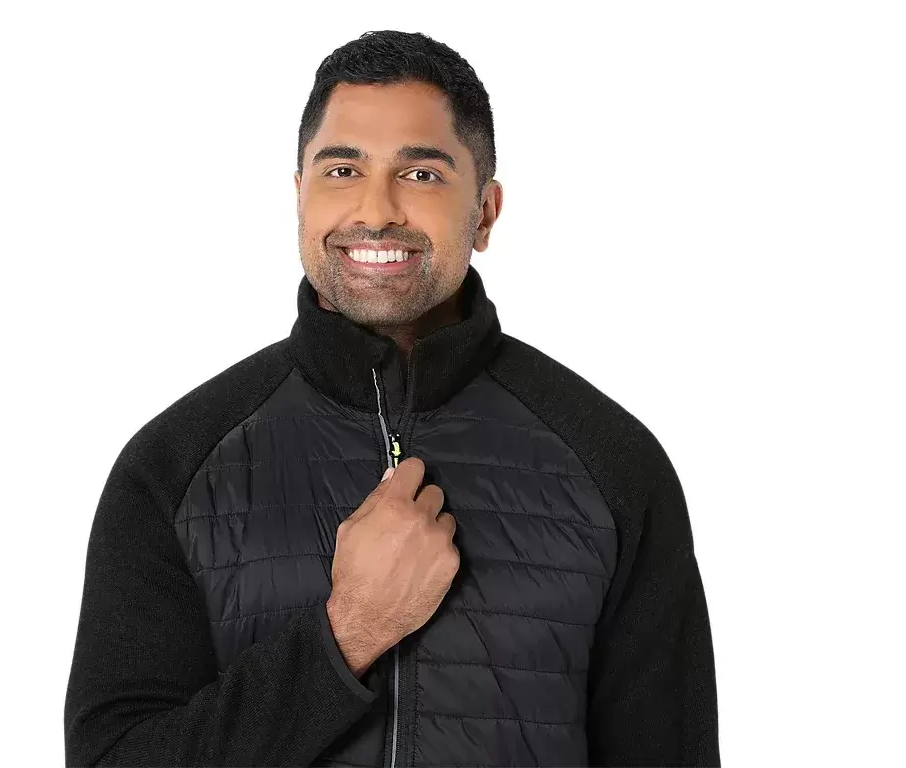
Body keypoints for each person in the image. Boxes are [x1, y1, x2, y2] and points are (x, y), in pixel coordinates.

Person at [63, 30, 720, 768]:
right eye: (343, 170)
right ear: (300, 196)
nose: (376, 210)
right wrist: (347, 635)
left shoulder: (613, 465)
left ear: (486, 212)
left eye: (422, 174)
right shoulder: (173, 467)